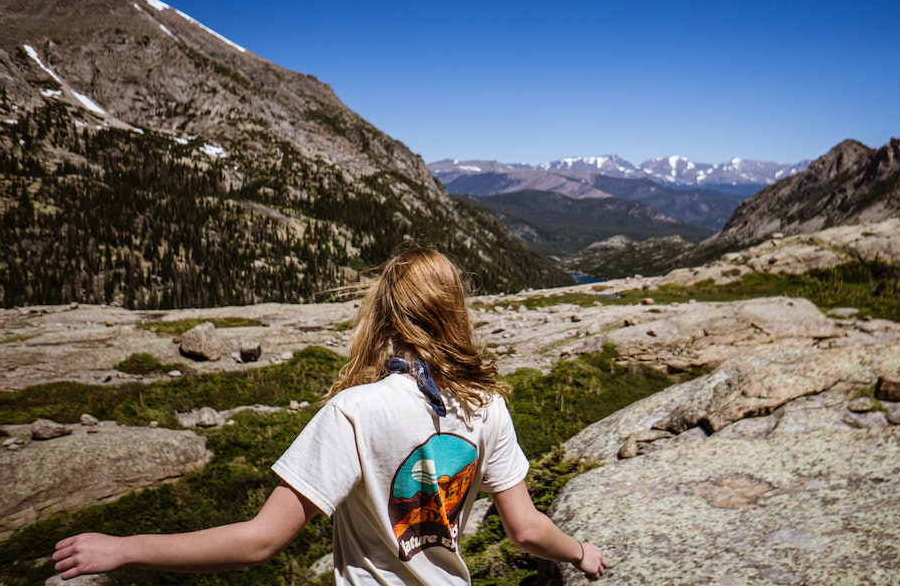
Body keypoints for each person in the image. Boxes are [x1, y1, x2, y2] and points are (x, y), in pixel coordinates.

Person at [52, 247, 609, 584]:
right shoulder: (486, 404)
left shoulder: (353, 411)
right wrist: (582, 554)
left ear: (383, 313)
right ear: (455, 313)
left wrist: (124, 549)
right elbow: (526, 529)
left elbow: (259, 542)